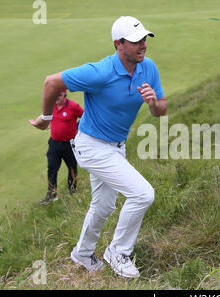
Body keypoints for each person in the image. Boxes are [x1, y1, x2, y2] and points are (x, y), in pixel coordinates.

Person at [30, 16, 167, 278]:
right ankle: (118, 252)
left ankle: (82, 252)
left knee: (104, 206)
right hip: (91, 146)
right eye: (135, 41)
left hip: (116, 147)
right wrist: (46, 119)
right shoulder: (100, 72)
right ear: (119, 44)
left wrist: (152, 104)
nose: (143, 45)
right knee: (143, 194)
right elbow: (51, 82)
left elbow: (162, 107)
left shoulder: (148, 68)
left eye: (144, 39)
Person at [30, 89, 84, 204]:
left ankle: (72, 190)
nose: (57, 98)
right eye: (55, 96)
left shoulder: (73, 106)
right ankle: (52, 194)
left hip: (69, 144)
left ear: (65, 95)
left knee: (72, 168)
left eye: (59, 96)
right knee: (52, 169)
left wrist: (77, 127)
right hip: (54, 143)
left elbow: (85, 116)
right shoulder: (51, 106)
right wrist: (36, 124)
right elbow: (44, 118)